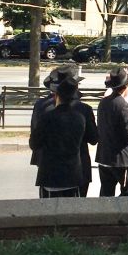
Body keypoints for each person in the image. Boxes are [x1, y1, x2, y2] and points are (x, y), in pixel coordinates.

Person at [29, 70, 97, 198]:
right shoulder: (83, 111)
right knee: (75, 207)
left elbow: (35, 142)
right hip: (77, 170)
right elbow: (93, 138)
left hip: (49, 170)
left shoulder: (41, 107)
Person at [96, 67, 128, 197]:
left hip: (104, 155)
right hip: (121, 159)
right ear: (126, 86)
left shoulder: (103, 102)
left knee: (106, 192)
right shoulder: (123, 105)